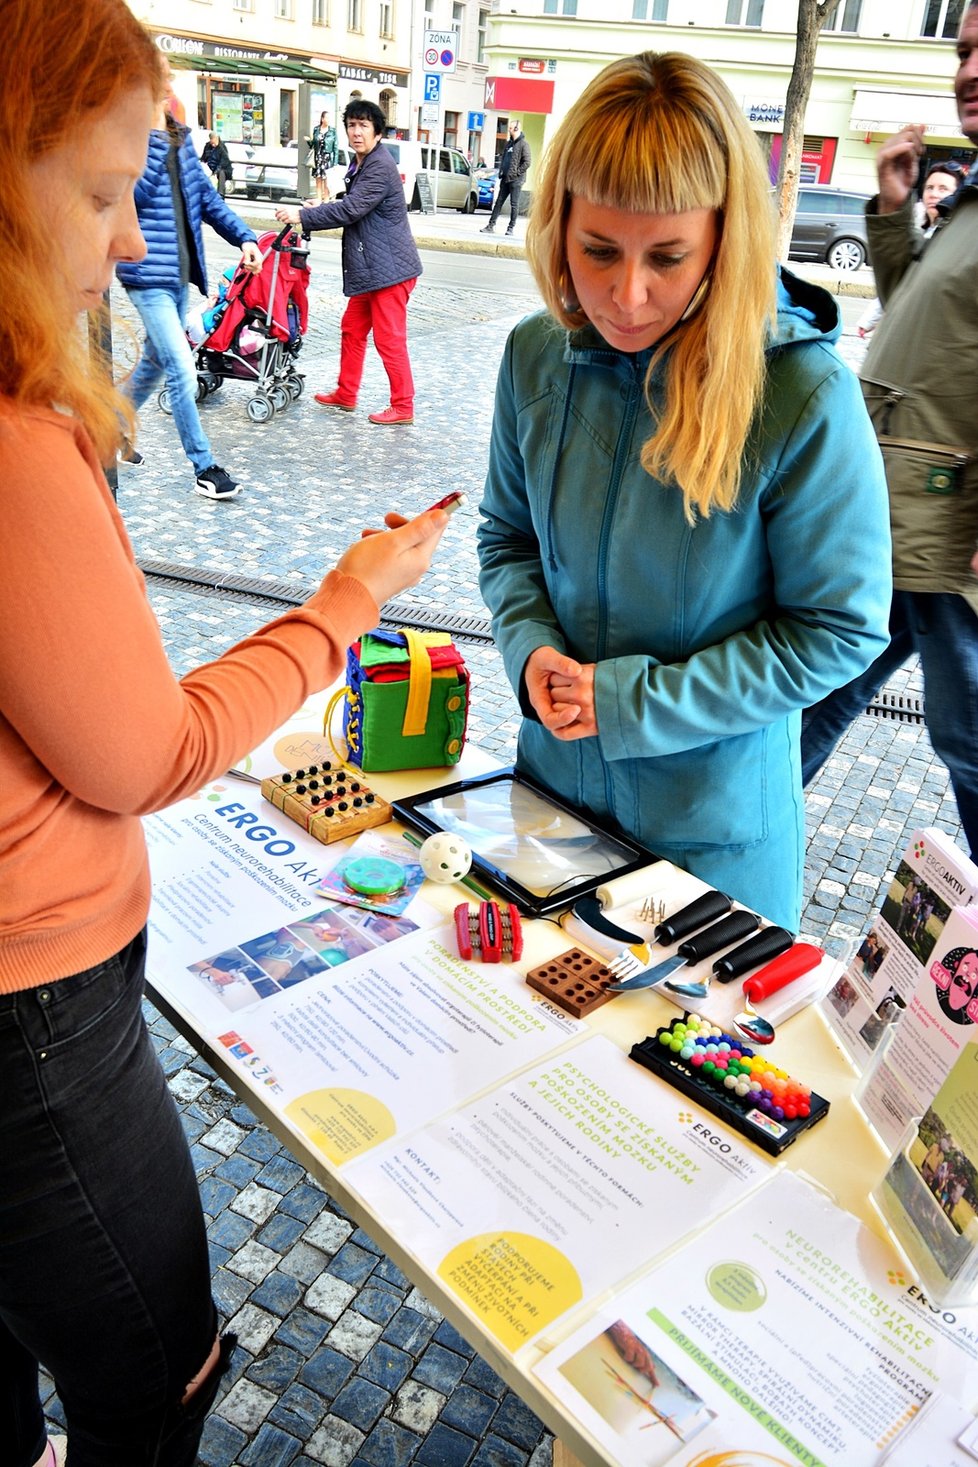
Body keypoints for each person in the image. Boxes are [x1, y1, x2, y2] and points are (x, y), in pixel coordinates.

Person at [0, 3, 449, 1461]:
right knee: (157, 1364)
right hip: (35, 1017)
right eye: (102, 187)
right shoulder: (12, 441)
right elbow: (142, 752)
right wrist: (340, 604)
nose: (130, 241)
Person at [476, 51, 892, 930]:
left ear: (722, 240)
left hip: (711, 852)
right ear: (557, 228)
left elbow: (841, 627)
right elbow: (506, 538)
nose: (628, 296)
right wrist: (529, 651)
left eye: (668, 257)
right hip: (550, 802)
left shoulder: (802, 394)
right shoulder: (534, 356)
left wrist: (632, 705)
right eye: (597, 251)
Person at [801, 4, 978, 855]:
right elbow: (920, 314)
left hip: (955, 540)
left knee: (972, 751)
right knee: (818, 695)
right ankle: (722, 837)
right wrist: (896, 210)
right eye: (965, 48)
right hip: (902, 515)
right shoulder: (973, 202)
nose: (969, 68)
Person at [117, 76, 263, 500]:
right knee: (181, 366)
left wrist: (247, 238)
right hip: (146, 277)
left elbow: (210, 203)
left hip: (178, 278)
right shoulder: (132, 142)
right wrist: (154, 135)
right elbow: (133, 197)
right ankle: (204, 467)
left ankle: (105, 427)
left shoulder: (180, 144)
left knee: (154, 365)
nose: (166, 82)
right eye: (157, 75)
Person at [275, 99, 422, 426]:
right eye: (351, 125)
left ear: (377, 132)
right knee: (352, 329)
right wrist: (323, 203)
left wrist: (304, 215)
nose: (356, 132)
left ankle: (403, 405)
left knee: (389, 339)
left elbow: (352, 210)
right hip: (374, 269)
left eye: (363, 126)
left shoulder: (380, 165)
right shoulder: (363, 163)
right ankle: (346, 392)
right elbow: (355, 204)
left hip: (390, 270)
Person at [854, 161, 963, 339]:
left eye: (943, 189)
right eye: (929, 188)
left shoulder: (955, 239)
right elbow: (901, 283)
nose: (934, 194)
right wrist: (868, 321)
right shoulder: (921, 231)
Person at [481, 118, 531, 236]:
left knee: (514, 204)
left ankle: (510, 228)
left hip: (516, 180)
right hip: (505, 178)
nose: (508, 130)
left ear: (516, 129)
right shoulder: (509, 144)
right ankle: (490, 225)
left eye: (510, 128)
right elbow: (504, 158)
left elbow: (527, 162)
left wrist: (517, 173)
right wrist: (501, 172)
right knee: (499, 202)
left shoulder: (523, 144)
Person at [306, 109, 337, 204]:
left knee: (326, 179)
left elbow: (335, 146)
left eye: (329, 118)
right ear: (322, 119)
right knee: (318, 178)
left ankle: (326, 199)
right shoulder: (316, 129)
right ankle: (319, 199)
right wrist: (308, 141)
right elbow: (312, 145)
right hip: (318, 157)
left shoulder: (332, 131)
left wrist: (335, 162)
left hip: (327, 157)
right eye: (326, 117)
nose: (328, 119)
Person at [200, 129, 233, 198]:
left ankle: (220, 194)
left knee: (221, 173)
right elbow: (203, 158)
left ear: (217, 138)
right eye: (211, 142)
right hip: (211, 168)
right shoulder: (207, 146)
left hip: (223, 169)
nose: (213, 144)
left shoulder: (222, 147)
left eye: (214, 142)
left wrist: (216, 171)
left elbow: (224, 162)